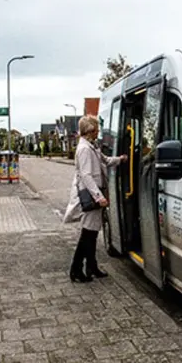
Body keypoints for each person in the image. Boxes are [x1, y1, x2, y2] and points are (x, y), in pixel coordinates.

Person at [63, 115, 127, 282]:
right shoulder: (84, 149)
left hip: (95, 193)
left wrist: (119, 160)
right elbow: (86, 175)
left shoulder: (92, 146)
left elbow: (104, 161)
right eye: (96, 130)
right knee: (88, 234)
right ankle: (76, 269)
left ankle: (91, 266)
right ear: (90, 131)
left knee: (91, 233)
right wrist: (99, 197)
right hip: (91, 196)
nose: (98, 132)